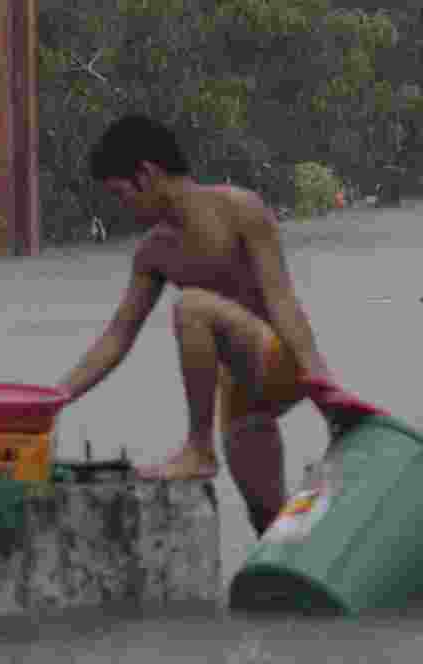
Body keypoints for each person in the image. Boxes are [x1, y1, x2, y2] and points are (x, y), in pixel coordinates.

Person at [58, 115, 379, 536]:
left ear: (146, 175)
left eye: (121, 194)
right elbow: (116, 338)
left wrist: (324, 388)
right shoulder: (154, 252)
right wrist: (55, 397)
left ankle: (199, 447)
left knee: (191, 306)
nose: (123, 207)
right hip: (241, 392)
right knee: (269, 523)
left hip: (279, 360)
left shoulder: (240, 209)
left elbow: (283, 302)